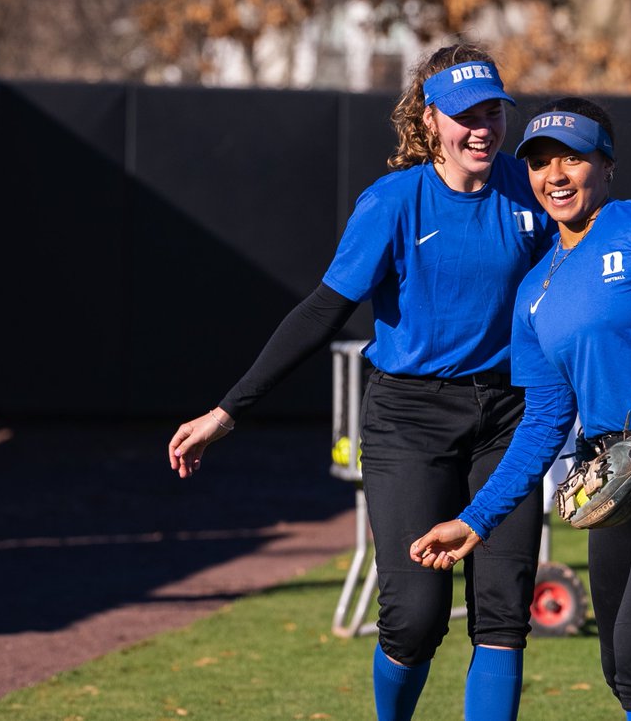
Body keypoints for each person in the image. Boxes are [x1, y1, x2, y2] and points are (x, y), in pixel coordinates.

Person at [168, 43, 556, 721]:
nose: (482, 129)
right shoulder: (392, 202)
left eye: (493, 112)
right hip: (410, 419)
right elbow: (322, 311)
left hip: (508, 415)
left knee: (503, 609)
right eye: (465, 115)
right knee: (415, 617)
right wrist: (227, 412)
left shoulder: (531, 191)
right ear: (429, 120)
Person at [409, 98, 631, 720]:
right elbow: (543, 422)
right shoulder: (535, 288)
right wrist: (474, 522)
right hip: (613, 474)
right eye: (539, 163)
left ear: (607, 164)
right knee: (623, 671)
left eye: (572, 158)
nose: (554, 175)